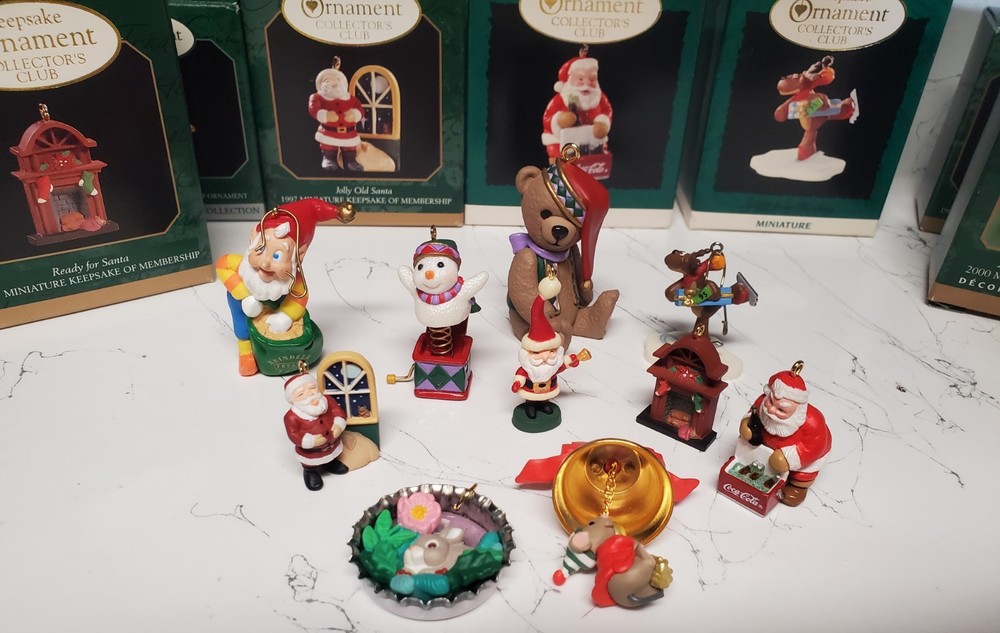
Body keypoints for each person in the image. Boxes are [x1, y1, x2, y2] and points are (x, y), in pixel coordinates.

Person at [216, 199, 344, 376]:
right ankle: (245, 350)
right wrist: (244, 295)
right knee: (241, 323)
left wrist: (285, 316)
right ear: (253, 238)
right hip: (242, 303)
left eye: (277, 256)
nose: (265, 263)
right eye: (261, 249)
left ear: (299, 256)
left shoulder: (292, 280)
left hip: (275, 309)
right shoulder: (243, 266)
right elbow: (223, 264)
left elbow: (300, 298)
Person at [739, 361, 832, 507]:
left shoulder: (813, 421)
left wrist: (788, 459)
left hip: (800, 455)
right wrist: (747, 424)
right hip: (766, 444)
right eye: (770, 402)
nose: (771, 410)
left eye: (781, 410)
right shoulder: (763, 402)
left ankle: (798, 487)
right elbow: (754, 412)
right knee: (751, 450)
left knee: (802, 473)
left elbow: (815, 446)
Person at [512, 295, 589, 419]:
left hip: (548, 390)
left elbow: (562, 365)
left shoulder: (552, 366)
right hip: (531, 391)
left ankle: (544, 404)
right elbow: (521, 374)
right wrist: (517, 383)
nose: (545, 357)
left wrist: (573, 359)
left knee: (545, 401)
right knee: (531, 402)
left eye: (550, 351)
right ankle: (531, 406)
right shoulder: (528, 368)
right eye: (537, 353)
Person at [541, 50, 613, 162]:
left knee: (599, 153)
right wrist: (560, 120)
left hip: (591, 142)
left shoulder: (600, 97)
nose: (587, 83)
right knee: (559, 156)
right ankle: (560, 171)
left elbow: (607, 111)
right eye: (580, 79)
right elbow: (547, 117)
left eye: (592, 79)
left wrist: (602, 123)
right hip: (561, 143)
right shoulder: (560, 99)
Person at [282, 372, 349, 491]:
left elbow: (337, 411)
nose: (310, 394)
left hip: (332, 443)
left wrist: (339, 424)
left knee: (331, 455)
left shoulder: (327, 401)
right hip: (311, 452)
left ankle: (330, 463)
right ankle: (310, 472)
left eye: (312, 388)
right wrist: (310, 441)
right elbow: (293, 434)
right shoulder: (291, 417)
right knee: (310, 462)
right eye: (301, 394)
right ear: (292, 400)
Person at [309, 57, 364, 171]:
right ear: (321, 84)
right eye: (328, 80)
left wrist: (355, 114)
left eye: (338, 80)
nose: (334, 83)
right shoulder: (317, 97)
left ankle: (350, 161)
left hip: (349, 133)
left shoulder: (351, 99)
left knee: (350, 148)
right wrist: (325, 115)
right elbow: (313, 109)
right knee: (328, 147)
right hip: (328, 131)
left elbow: (360, 109)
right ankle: (329, 159)